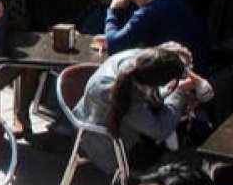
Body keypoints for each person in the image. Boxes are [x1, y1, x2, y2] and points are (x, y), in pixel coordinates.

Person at [73, 44, 211, 174]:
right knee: (180, 150)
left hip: (97, 117)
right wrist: (178, 92)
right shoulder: (122, 94)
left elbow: (153, 91)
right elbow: (160, 130)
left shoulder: (137, 59)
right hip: (107, 146)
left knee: (177, 124)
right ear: (153, 83)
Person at [105, 0, 213, 74]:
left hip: (186, 73)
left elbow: (114, 46)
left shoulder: (149, 11)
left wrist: (113, 10)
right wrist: (115, 35)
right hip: (196, 66)